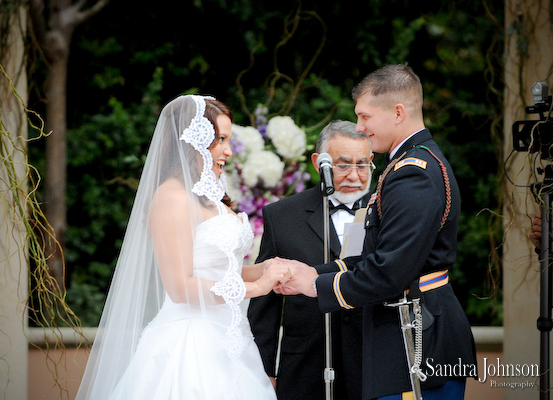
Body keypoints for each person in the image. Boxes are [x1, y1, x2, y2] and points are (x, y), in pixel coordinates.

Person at [276, 64, 477, 399]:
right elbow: (363, 256)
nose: (360, 127)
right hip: (402, 336)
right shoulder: (401, 166)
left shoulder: (413, 173)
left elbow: (388, 271)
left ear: (398, 112)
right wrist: (313, 272)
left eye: (365, 117)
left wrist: (314, 285)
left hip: (418, 341)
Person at [75, 95, 291, 400]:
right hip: (191, 343)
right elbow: (180, 286)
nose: (228, 151)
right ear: (194, 141)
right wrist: (258, 288)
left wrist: (262, 270)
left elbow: (219, 269)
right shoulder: (171, 197)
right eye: (221, 140)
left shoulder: (211, 197)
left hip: (230, 336)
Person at [247, 120, 374, 400]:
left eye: (362, 165)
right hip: (305, 367)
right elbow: (264, 306)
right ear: (319, 163)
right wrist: (263, 371)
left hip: (371, 364)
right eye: (342, 165)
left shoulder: (386, 211)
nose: (354, 175)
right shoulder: (282, 216)